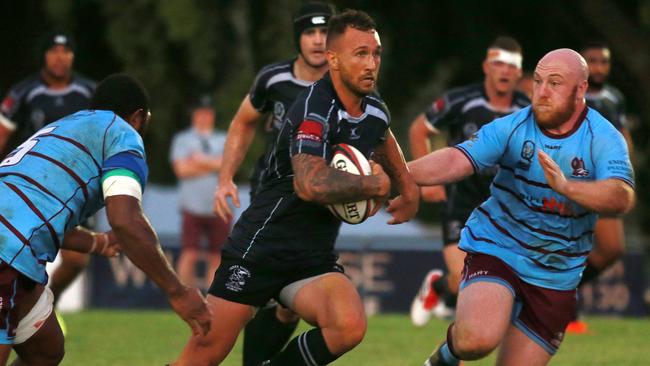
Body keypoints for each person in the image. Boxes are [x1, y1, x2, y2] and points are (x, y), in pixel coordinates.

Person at [174, 9, 419, 365]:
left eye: (375, 53)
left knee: (348, 326)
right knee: (205, 354)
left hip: (311, 254)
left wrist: (407, 187)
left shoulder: (375, 108)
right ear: (333, 60)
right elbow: (308, 184)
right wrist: (372, 184)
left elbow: (381, 135)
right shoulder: (313, 106)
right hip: (261, 246)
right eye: (360, 54)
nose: (371, 64)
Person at [408, 49, 634, 366]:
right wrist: (400, 176)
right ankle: (444, 358)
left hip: (557, 274)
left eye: (554, 83)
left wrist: (568, 188)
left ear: (580, 89)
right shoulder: (514, 126)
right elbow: (455, 159)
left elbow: (621, 196)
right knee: (476, 340)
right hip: (500, 246)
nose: (541, 92)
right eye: (538, 81)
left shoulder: (604, 137)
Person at [0, 74, 211, 365]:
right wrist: (178, 292)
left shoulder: (63, 127)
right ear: (138, 117)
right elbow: (124, 219)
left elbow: (34, 211)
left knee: (45, 348)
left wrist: (97, 243)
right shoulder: (123, 134)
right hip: (6, 255)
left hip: (9, 241)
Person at [212, 2, 335, 364]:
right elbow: (243, 121)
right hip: (271, 197)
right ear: (297, 37)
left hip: (319, 208)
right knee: (261, 290)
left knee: (291, 305)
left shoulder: (343, 86)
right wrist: (225, 178)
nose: (317, 41)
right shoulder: (274, 79)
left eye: (325, 32)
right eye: (309, 32)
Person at [409, 36, 529, 326]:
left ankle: (438, 287)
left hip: (504, 209)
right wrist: (428, 183)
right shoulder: (461, 101)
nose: (504, 70)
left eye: (511, 66)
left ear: (519, 73)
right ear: (486, 66)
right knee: (468, 281)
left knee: (496, 284)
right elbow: (418, 130)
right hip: (460, 203)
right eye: (498, 63)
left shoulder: (529, 109)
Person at [0, 31, 97, 313]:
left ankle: (46, 305)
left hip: (75, 188)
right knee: (23, 254)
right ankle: (22, 311)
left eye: (66, 52)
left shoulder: (89, 92)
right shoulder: (24, 92)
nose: (60, 57)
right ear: (44, 55)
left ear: (73, 56)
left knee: (77, 260)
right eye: (54, 51)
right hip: (32, 187)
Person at [567, 40, 635, 333]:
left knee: (611, 249)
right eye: (592, 61)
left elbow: (622, 135)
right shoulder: (569, 94)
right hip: (574, 180)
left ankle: (561, 292)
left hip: (606, 183)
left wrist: (626, 173)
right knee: (566, 244)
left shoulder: (613, 98)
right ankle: (564, 310)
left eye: (603, 62)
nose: (598, 67)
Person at [170, 95, 229, 289]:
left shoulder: (223, 138)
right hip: (192, 204)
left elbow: (228, 164)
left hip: (219, 204)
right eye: (201, 113)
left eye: (208, 113)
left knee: (217, 254)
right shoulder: (183, 139)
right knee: (190, 252)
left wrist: (199, 160)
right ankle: (185, 294)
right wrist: (214, 163)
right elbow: (181, 170)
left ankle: (213, 297)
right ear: (194, 115)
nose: (204, 117)